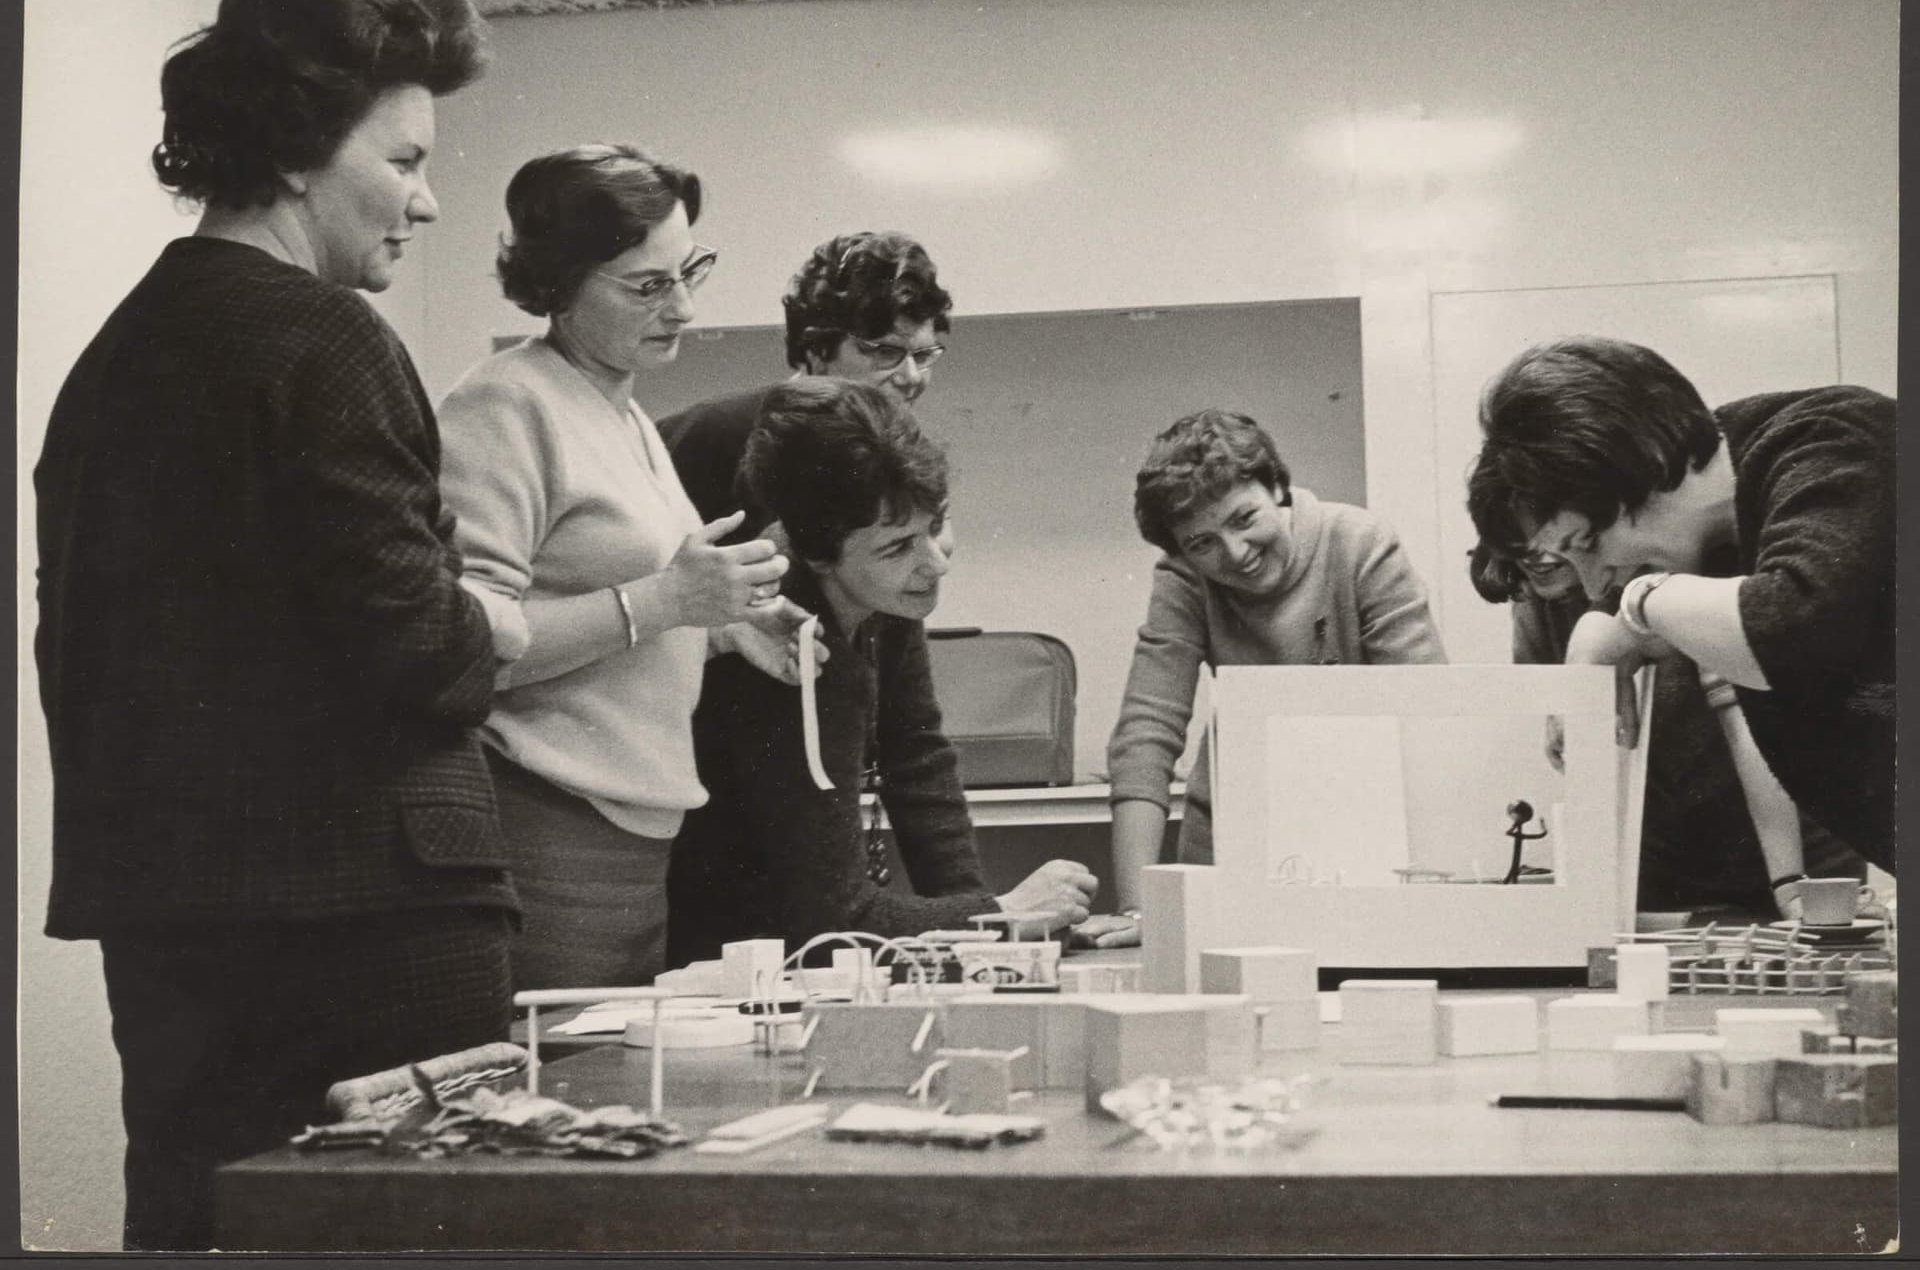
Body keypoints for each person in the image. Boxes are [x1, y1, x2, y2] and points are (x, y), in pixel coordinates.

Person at [34, 0, 518, 1251]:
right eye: (406, 157)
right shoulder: (328, 339)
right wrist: (495, 625)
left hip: (171, 921)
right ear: (304, 150)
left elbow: (74, 656)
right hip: (374, 929)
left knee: (199, 1228)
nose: (428, 196)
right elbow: (424, 653)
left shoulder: (111, 362)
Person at [437, 145, 806, 990]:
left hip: (632, 831)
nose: (682, 307)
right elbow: (468, 646)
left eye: (688, 272)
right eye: (648, 285)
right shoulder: (504, 404)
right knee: (562, 1092)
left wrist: (723, 628)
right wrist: (669, 597)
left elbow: (617, 611)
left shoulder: (618, 406)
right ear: (559, 283)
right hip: (545, 824)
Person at [666, 378, 1098, 963]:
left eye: (935, 525)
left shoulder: (883, 600)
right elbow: (832, 922)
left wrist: (993, 934)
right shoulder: (781, 642)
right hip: (737, 967)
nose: (935, 563)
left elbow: (918, 760)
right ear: (815, 554)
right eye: (897, 548)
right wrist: (999, 916)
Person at [1466, 336, 1894, 872]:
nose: (1596, 586)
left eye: (1588, 544)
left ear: (1643, 463)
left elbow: (1787, 632)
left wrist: (1642, 604)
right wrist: (1610, 638)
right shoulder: (1716, 549)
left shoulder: (1834, 435)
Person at [1084, 409, 1448, 948]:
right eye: (1202, 543)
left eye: (1243, 518)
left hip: (1371, 842)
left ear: (1277, 487)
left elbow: (1429, 711)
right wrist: (1140, 910)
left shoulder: (1360, 543)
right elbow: (1146, 733)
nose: (1235, 553)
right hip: (1231, 845)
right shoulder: (1183, 578)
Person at [1468, 542, 1862, 917]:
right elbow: (1580, 756)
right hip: (1662, 857)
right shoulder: (1536, 594)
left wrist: (1789, 880)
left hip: (1799, 835)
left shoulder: (1675, 571)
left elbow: (1744, 720)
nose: (1538, 551)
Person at [658, 229, 952, 536]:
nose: (912, 377)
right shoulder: (708, 435)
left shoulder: (905, 455)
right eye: (886, 352)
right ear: (817, 348)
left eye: (922, 355)